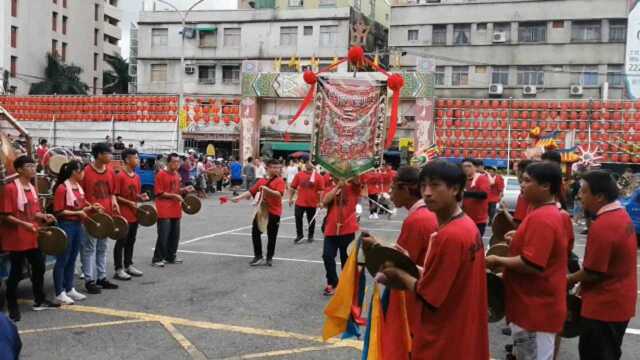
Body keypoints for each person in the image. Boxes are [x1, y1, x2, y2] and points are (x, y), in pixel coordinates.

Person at [380, 160, 489, 359]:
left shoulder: (450, 235)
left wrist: (399, 274)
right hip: (462, 328)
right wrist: (412, 266)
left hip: (444, 337)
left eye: (435, 185)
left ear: (455, 189)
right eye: (423, 186)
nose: (427, 193)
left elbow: (428, 295)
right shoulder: (466, 225)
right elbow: (446, 278)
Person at [486, 161, 569, 360]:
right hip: (533, 306)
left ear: (546, 186)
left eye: (527, 181)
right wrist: (520, 238)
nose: (522, 185)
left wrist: (498, 259)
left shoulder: (543, 218)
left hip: (535, 310)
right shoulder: (544, 213)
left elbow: (531, 264)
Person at [568, 170, 637, 360]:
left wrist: (568, 279)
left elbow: (593, 272)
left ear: (599, 196)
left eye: (583, 191)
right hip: (619, 301)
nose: (579, 196)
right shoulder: (620, 215)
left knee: (596, 354)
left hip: (604, 306)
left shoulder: (605, 224)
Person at [363, 166, 438, 335]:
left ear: (405, 188)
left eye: (392, 187)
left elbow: (399, 265)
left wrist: (374, 250)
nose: (390, 193)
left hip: (413, 297)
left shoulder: (417, 220)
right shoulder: (428, 213)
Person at [1, 156, 60, 322]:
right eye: (29, 166)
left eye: (34, 166)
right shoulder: (11, 188)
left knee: (39, 267)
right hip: (17, 237)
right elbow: (6, 216)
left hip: (32, 234)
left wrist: (44, 215)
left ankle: (39, 299)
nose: (33, 169)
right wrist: (25, 224)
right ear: (19, 170)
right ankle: (12, 305)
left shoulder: (32, 188)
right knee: (16, 272)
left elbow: (33, 212)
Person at [52, 160, 96, 305]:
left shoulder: (78, 187)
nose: (83, 173)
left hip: (78, 224)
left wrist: (92, 207)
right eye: (82, 171)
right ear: (74, 172)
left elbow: (82, 205)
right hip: (67, 224)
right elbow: (59, 211)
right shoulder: (62, 188)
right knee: (62, 259)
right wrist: (79, 212)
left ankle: (69, 287)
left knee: (72, 258)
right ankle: (59, 291)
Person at [81, 143, 120, 294]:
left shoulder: (110, 171)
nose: (111, 156)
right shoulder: (86, 172)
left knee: (103, 247)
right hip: (92, 217)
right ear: (98, 155)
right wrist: (90, 206)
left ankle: (101, 277)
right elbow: (80, 195)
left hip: (107, 216)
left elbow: (112, 193)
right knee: (90, 248)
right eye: (108, 153)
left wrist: (114, 202)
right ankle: (89, 280)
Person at [232, 159, 286, 267]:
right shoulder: (261, 181)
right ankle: (258, 256)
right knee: (255, 233)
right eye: (274, 167)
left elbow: (279, 194)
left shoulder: (280, 181)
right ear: (267, 168)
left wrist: (266, 189)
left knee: (272, 236)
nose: (276, 170)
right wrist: (238, 197)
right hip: (261, 211)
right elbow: (251, 192)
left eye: (278, 168)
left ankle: (269, 257)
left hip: (274, 212)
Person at [321, 177, 362, 296]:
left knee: (346, 259)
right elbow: (325, 201)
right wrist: (337, 187)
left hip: (347, 229)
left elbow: (358, 182)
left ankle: (346, 284)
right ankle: (333, 282)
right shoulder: (331, 187)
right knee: (327, 256)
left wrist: (350, 178)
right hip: (331, 229)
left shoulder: (352, 187)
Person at [152, 153, 194, 267]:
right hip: (164, 208)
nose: (177, 164)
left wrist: (184, 189)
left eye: (178, 162)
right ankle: (157, 258)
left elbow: (176, 190)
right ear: (168, 163)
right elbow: (159, 193)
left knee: (175, 235)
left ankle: (171, 256)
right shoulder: (161, 174)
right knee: (163, 235)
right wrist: (174, 196)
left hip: (175, 208)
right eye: (174, 162)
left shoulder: (176, 174)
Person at [114, 149, 148, 280]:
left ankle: (128, 265)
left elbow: (135, 196)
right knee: (121, 241)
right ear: (127, 160)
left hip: (134, 214)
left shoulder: (137, 177)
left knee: (131, 241)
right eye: (136, 158)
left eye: (138, 158)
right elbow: (115, 196)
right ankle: (118, 269)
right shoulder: (120, 175)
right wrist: (129, 202)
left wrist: (141, 197)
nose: (138, 160)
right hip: (123, 214)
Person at [289, 161, 325, 244]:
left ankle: (310, 235)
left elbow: (322, 190)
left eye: (310, 163)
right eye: (307, 163)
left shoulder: (318, 176)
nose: (308, 164)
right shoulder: (299, 175)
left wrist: (321, 202)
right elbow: (292, 187)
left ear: (313, 165)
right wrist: (291, 198)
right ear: (305, 165)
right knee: (298, 218)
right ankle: (299, 235)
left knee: (311, 220)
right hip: (300, 202)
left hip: (312, 203)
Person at [461, 158, 490, 237]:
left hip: (478, 220)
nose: (466, 168)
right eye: (464, 166)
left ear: (475, 167)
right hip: (464, 218)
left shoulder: (482, 178)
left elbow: (483, 195)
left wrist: (464, 194)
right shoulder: (462, 179)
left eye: (469, 166)